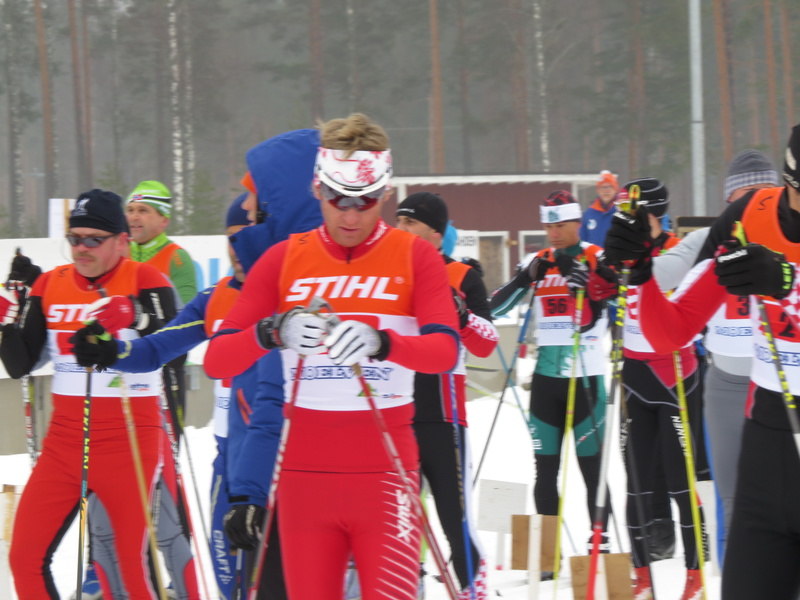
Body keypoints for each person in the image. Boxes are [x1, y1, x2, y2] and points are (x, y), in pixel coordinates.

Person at [204, 113, 459, 600]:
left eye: (366, 200)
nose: (351, 216)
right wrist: (273, 332)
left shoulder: (415, 256)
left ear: (386, 194)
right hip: (304, 482)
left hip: (386, 474)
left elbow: (445, 351)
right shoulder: (283, 259)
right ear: (317, 188)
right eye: (338, 198)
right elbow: (218, 360)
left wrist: (383, 343)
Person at [607, 123, 800, 600]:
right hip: (769, 440)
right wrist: (639, 271)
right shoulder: (750, 215)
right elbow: (672, 330)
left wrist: (789, 282)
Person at [0, 189, 186, 599]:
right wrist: (9, 315)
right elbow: (19, 364)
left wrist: (134, 314)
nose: (81, 248)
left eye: (93, 240)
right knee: (24, 558)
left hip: (129, 442)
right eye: (74, 238)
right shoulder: (51, 283)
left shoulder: (145, 278)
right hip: (65, 443)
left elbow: (175, 343)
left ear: (121, 240)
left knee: (129, 565)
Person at [648, 149, 780, 566]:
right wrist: (632, 256)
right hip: (726, 384)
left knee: (783, 499)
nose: (753, 201)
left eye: (763, 191)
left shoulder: (786, 233)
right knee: (732, 499)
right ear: (728, 200)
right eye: (744, 194)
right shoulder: (712, 237)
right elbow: (661, 272)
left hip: (779, 383)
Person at [592, 178, 704, 600]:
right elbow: (598, 292)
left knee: (680, 482)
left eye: (636, 215)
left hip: (675, 375)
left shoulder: (679, 249)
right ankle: (641, 575)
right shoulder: (622, 250)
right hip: (636, 376)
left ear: (656, 215)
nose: (628, 222)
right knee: (635, 483)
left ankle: (695, 573)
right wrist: (594, 280)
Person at [489, 190, 611, 568]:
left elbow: (613, 305)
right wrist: (523, 279)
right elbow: (493, 308)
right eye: (548, 226)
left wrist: (590, 288)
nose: (553, 233)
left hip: (587, 380)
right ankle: (546, 556)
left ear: (578, 222)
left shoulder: (597, 256)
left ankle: (600, 551)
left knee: (593, 472)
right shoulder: (538, 260)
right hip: (545, 383)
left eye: (560, 225)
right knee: (545, 469)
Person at [396, 191, 498, 597]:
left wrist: (463, 316)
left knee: (456, 521)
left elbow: (488, 342)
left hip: (443, 417)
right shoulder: (388, 274)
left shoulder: (461, 276)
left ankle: (473, 588)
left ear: (436, 233)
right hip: (396, 413)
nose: (400, 229)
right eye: (398, 221)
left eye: (410, 222)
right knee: (398, 521)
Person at [580, 170, 620, 246]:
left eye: (610, 186)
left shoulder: (622, 211)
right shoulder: (589, 214)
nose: (606, 190)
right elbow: (582, 241)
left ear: (615, 189)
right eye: (603, 187)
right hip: (594, 253)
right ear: (598, 190)